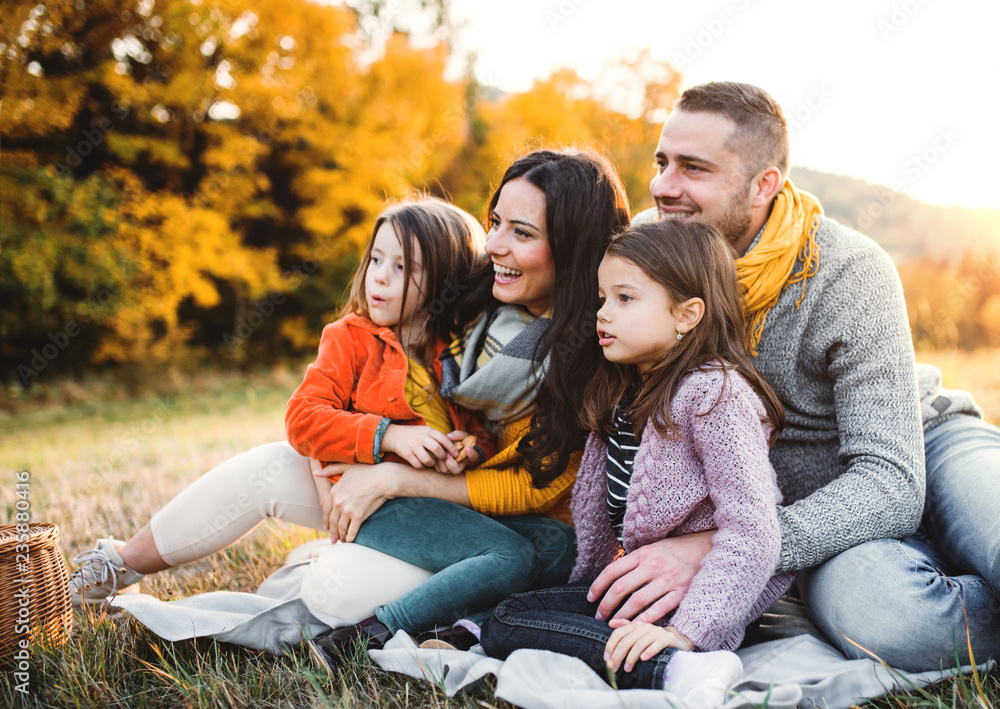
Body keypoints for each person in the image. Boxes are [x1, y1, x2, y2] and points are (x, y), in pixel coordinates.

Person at [69, 150, 632, 647]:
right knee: (269, 466)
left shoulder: (598, 351)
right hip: (405, 497)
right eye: (494, 223)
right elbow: (316, 416)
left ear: (573, 248)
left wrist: (406, 472)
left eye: (522, 232)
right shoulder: (473, 318)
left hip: (498, 525)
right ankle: (120, 561)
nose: (495, 245)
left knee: (333, 591)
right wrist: (349, 462)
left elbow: (526, 483)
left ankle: (362, 605)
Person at [586, 81, 999, 671]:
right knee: (888, 620)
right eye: (661, 161)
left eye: (693, 168)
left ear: (763, 185)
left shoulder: (847, 270)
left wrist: (722, 547)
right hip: (817, 514)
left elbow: (891, 481)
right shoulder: (652, 253)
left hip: (925, 445)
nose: (661, 185)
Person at [480, 220, 795, 704]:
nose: (603, 314)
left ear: (687, 314)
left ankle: (675, 668)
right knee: (511, 613)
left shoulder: (715, 394)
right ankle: (630, 655)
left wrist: (687, 632)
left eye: (625, 299)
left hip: (697, 605)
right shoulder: (625, 390)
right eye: (603, 298)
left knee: (505, 623)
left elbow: (754, 530)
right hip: (643, 595)